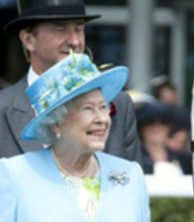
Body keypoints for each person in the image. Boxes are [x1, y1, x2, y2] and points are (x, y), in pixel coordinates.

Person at [0, 53, 150, 222]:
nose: (102, 119)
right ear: (56, 122)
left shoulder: (130, 175)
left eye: (103, 107)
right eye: (88, 109)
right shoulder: (15, 174)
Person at [0, 0, 142, 164]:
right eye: (60, 29)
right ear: (28, 40)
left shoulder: (120, 104)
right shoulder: (2, 108)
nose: (75, 41)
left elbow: (130, 183)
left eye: (79, 29)